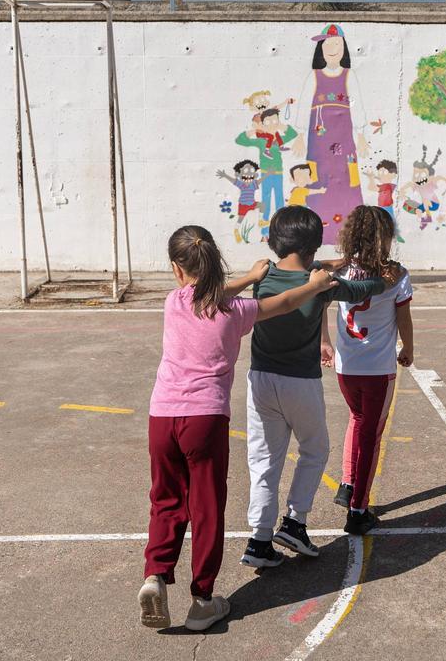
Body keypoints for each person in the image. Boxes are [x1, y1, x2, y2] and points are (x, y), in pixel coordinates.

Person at [139, 225, 337, 632]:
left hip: (161, 417)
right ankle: (202, 599)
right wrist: (315, 285)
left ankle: (155, 575)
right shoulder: (236, 311)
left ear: (178, 269)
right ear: (214, 260)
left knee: (166, 499)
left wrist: (248, 277)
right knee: (206, 506)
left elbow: (208, 291)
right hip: (205, 419)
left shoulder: (173, 302)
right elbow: (283, 303)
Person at [241, 206, 400, 569]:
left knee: (264, 461)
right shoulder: (320, 284)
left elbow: (303, 264)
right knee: (314, 449)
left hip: (261, 380)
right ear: (316, 246)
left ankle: (259, 539)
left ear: (273, 241)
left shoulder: (262, 276)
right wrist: (386, 281)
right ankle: (295, 522)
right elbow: (361, 288)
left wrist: (333, 261)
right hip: (300, 382)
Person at [323, 206, 413, 535]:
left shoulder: (340, 271)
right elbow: (403, 317)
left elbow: (319, 299)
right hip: (377, 368)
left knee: (357, 420)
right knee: (371, 435)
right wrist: (410, 348)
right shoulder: (395, 274)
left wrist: (324, 341)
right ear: (385, 237)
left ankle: (348, 483)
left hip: (347, 368)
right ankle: (358, 509)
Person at [294, 24, 384, 244]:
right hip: (319, 139)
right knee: (318, 176)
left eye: (337, 43)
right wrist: (299, 134)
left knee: (347, 176)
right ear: (320, 48)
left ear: (344, 48)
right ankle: (317, 232)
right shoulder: (314, 77)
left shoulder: (348, 76)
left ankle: (351, 233)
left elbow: (359, 106)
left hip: (345, 138)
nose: (332, 48)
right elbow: (304, 104)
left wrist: (361, 134)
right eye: (328, 43)